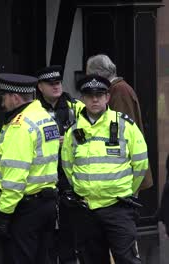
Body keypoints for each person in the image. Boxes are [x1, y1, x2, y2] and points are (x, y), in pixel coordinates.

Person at [61, 75, 148, 264]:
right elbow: (68, 166)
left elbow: (141, 164)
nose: (94, 99)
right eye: (89, 95)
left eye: (99, 95)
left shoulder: (125, 126)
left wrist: (127, 190)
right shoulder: (73, 131)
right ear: (82, 98)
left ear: (107, 97)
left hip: (119, 209)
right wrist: (82, 190)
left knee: (127, 259)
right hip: (87, 210)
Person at [0, 73, 60, 264]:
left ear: (15, 97)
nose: (3, 103)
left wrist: (4, 214)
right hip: (46, 203)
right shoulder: (44, 118)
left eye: (4, 97)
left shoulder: (20, 127)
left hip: (24, 207)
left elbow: (15, 178)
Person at [36, 65, 84, 263]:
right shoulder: (34, 110)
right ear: (40, 87)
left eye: (58, 83)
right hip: (43, 178)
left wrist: (71, 139)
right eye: (50, 84)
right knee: (45, 238)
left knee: (68, 234)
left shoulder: (76, 107)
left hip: (67, 178)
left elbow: (91, 135)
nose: (56, 87)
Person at [86, 54, 152, 191]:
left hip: (124, 170)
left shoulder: (119, 91)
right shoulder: (117, 89)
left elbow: (121, 130)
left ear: (98, 74)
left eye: (89, 75)